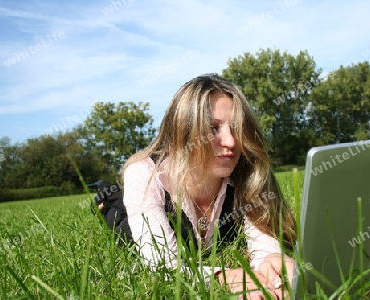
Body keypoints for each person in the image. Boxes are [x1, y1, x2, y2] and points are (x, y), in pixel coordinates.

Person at [122, 74, 297, 299]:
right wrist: (223, 277)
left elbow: (264, 241)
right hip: (128, 213)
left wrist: (271, 260)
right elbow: (161, 265)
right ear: (181, 133)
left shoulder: (247, 171)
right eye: (213, 128)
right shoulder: (144, 174)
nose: (231, 141)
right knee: (117, 216)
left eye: (237, 128)